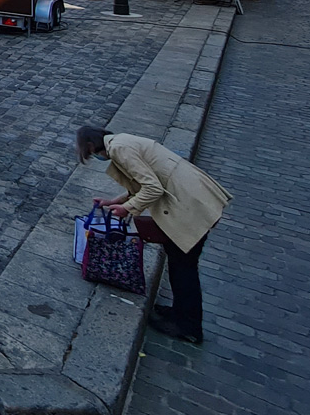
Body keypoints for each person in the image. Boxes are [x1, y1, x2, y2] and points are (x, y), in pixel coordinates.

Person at [76, 126, 232, 344]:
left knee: (183, 266)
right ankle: (180, 312)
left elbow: (152, 188)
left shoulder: (120, 149)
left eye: (90, 152)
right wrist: (115, 202)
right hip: (190, 199)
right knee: (180, 261)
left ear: (92, 146)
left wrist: (127, 209)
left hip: (188, 206)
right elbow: (141, 183)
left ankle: (188, 326)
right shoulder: (122, 139)